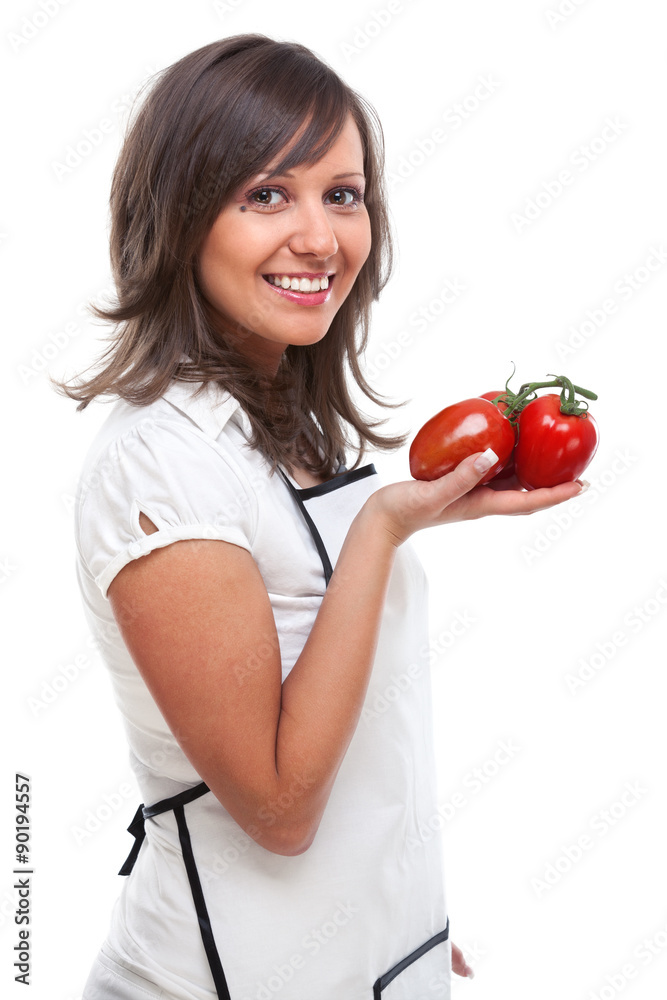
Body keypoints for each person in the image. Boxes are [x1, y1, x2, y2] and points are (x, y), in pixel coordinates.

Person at [54, 34, 585, 1000]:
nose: (320, 237)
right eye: (266, 194)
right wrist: (384, 528)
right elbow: (278, 806)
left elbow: (346, 727)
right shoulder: (160, 464)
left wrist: (392, 909)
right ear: (179, 217)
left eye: (341, 194)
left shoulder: (282, 426)